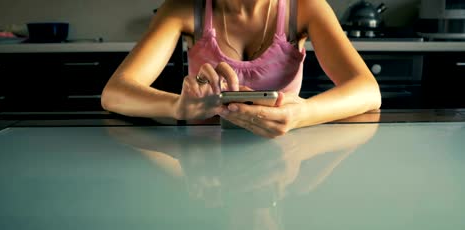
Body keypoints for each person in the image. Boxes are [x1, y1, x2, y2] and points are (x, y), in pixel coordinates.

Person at [101, 0, 382, 138]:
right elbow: (114, 93)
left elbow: (368, 91)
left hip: (280, 157)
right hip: (205, 162)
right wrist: (177, 107)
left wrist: (301, 114)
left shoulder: (306, 6)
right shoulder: (183, 8)